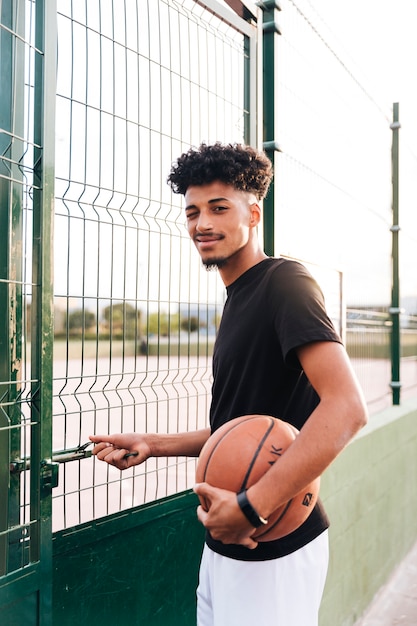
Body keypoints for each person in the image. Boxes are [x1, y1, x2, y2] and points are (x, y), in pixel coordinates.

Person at [90, 142, 368, 626]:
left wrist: (253, 507)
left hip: (271, 538)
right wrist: (152, 444)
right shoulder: (239, 297)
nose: (202, 224)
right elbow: (240, 428)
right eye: (193, 211)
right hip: (228, 535)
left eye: (219, 208)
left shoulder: (285, 283)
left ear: (253, 213)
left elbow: (347, 408)